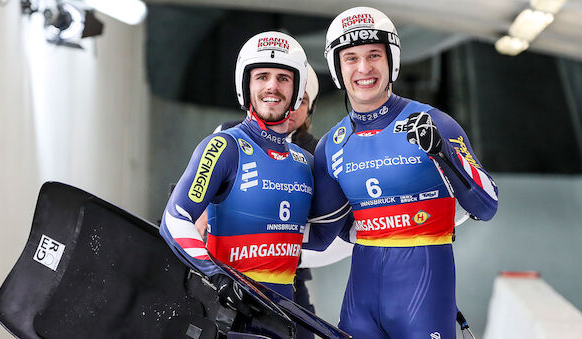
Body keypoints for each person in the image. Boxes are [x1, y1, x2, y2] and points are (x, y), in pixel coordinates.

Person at [305, 7, 499, 339]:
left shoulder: (433, 122)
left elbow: (487, 204)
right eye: (350, 58)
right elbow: (321, 236)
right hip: (360, 307)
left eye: (373, 55)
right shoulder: (331, 145)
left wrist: (443, 154)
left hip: (422, 305)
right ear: (338, 69)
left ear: (391, 60)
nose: (363, 68)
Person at [159, 31, 313, 310]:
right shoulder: (224, 146)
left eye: (283, 78)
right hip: (227, 315)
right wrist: (216, 275)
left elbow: (326, 235)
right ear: (246, 85)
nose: (272, 87)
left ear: (297, 88)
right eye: (262, 76)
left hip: (282, 318)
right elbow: (175, 218)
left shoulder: (306, 161)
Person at [197, 63, 321, 339]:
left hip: (287, 272)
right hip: (227, 264)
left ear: (308, 109)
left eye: (302, 101)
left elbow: (323, 224)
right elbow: (203, 197)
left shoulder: (313, 153)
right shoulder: (230, 134)